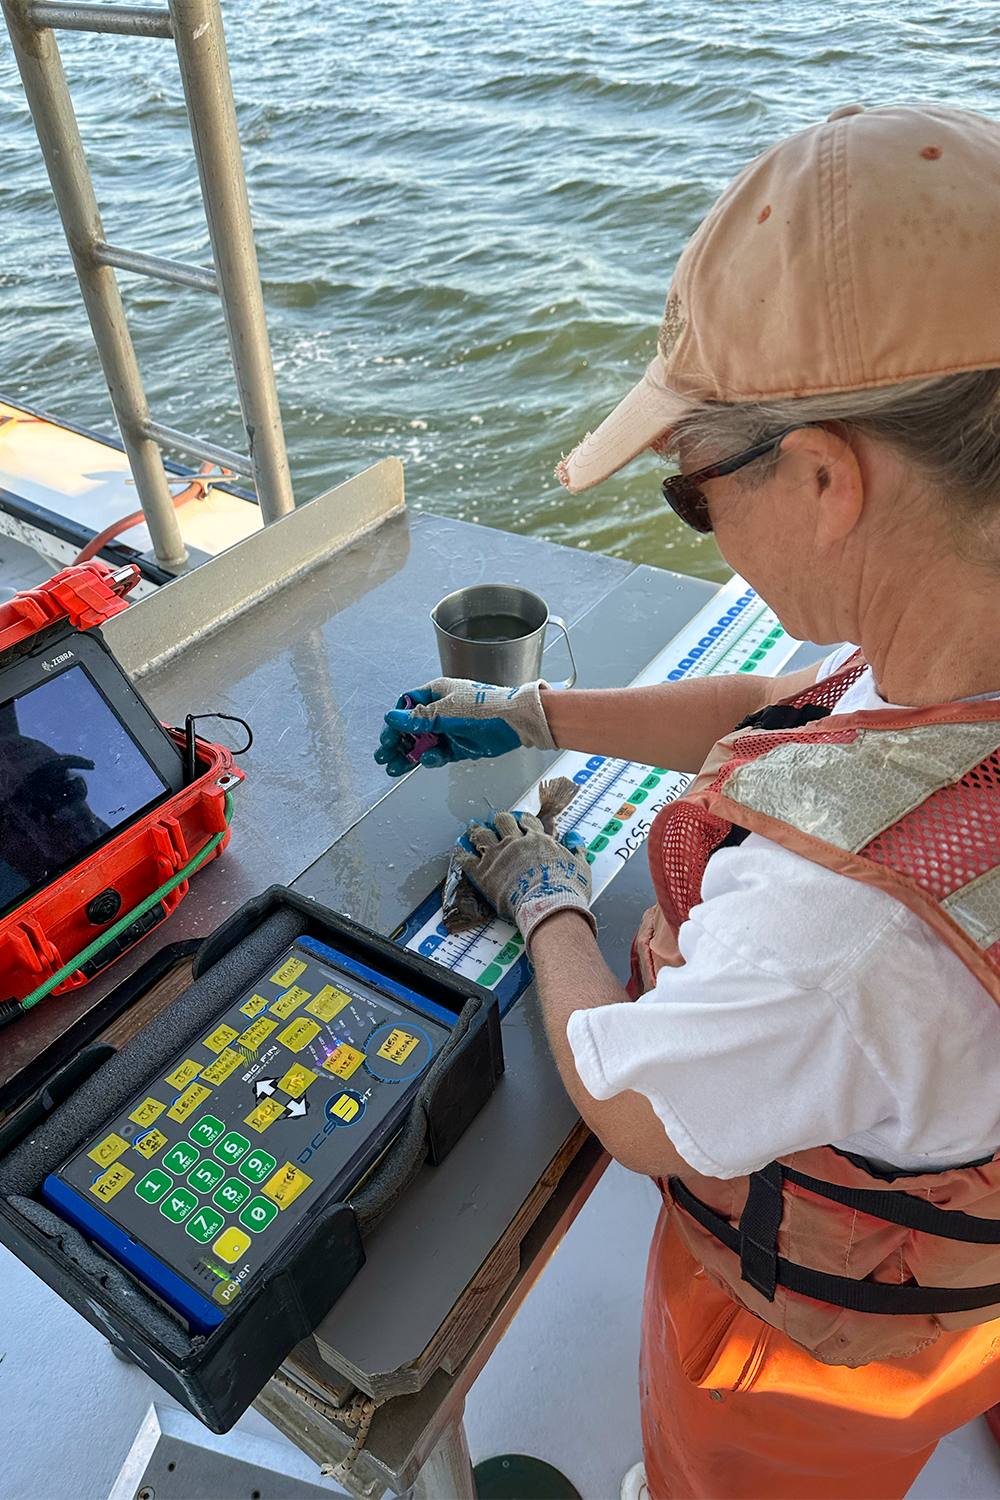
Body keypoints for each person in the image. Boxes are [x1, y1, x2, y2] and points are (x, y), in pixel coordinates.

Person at [376, 104, 1000, 1499]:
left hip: (815, 1369)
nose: (698, 512)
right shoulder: (964, 631)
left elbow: (631, 1106)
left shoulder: (837, 937)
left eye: (694, 490)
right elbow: (799, 710)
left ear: (832, 476)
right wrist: (535, 711)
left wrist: (546, 901)